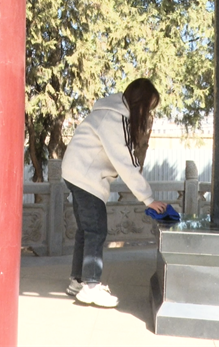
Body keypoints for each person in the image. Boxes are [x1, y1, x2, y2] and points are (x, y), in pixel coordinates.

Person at [61, 78, 168, 308]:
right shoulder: (114, 118)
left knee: (85, 231)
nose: (148, 113)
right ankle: (91, 286)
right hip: (86, 177)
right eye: (148, 107)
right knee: (96, 230)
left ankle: (77, 281)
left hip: (76, 173)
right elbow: (125, 162)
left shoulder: (111, 113)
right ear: (138, 102)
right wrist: (148, 199)